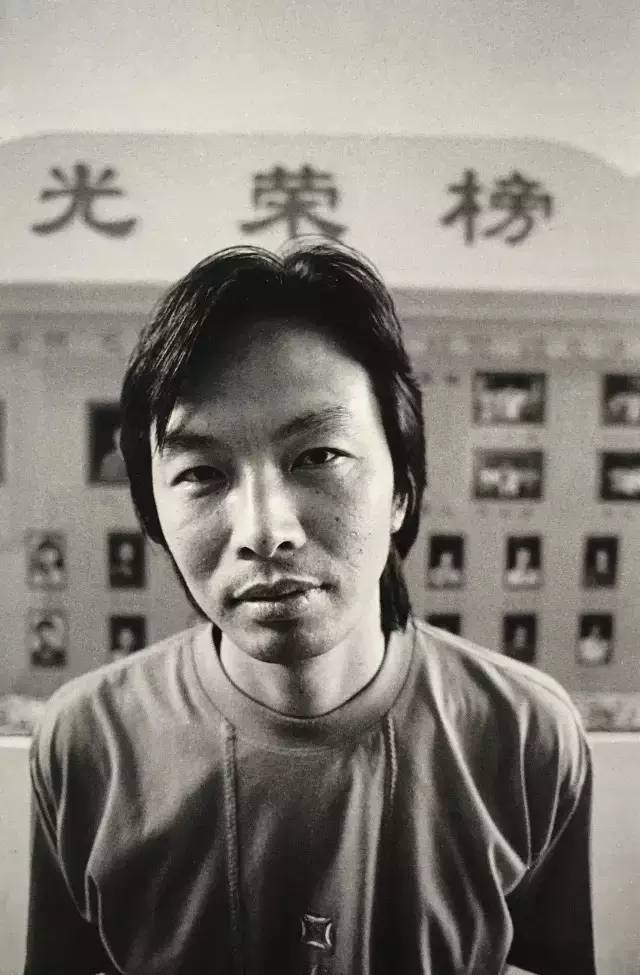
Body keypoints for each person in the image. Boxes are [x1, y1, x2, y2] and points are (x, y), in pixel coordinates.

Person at [24, 242, 596, 975]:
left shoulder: (525, 735)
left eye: (318, 456)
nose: (266, 531)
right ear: (154, 511)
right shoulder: (85, 744)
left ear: (401, 489)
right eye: (201, 472)